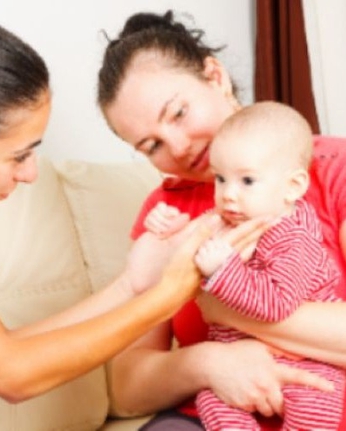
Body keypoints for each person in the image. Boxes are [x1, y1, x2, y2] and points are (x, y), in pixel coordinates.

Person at [0, 14, 270, 431]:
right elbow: (10, 373)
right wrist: (171, 291)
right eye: (18, 155)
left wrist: (131, 284)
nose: (30, 173)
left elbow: (4, 344)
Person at [96, 9, 346, 431]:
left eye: (178, 113)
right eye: (151, 144)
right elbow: (128, 386)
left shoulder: (330, 168)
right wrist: (211, 363)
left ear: (215, 76)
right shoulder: (165, 217)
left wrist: (221, 307)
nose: (177, 147)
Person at [145, 101, 345, 430]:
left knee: (316, 400)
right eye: (221, 179)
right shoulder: (230, 218)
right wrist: (168, 231)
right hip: (234, 365)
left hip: (308, 364)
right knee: (210, 401)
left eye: (247, 181)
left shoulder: (294, 236)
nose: (228, 195)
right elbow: (180, 256)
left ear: (292, 187)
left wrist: (223, 274)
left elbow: (277, 304)